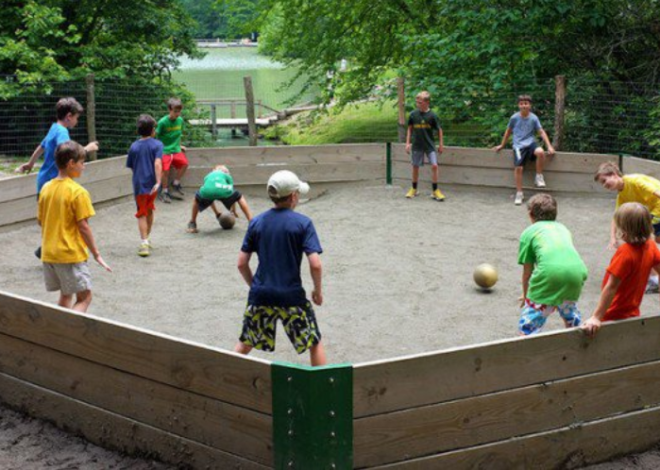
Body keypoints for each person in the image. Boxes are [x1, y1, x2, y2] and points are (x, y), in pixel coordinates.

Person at [234, 170, 326, 366]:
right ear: (293, 196)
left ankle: (223, 378)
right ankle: (322, 389)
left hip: (261, 295)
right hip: (291, 296)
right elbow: (315, 264)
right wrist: (317, 291)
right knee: (314, 342)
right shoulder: (303, 223)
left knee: (245, 342)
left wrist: (254, 286)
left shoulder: (256, 222)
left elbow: (241, 263)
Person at [15, 97, 99, 258]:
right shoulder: (62, 132)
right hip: (55, 182)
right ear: (69, 116)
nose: (76, 121)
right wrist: (87, 148)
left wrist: (30, 163)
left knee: (48, 217)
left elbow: (42, 146)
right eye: (76, 117)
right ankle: (52, 248)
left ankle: (46, 247)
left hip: (43, 181)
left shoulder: (54, 127)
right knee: (60, 217)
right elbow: (67, 153)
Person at [37, 141, 111, 313]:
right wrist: (96, 254)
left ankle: (58, 331)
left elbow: (41, 221)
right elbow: (83, 227)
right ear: (71, 164)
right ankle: (65, 336)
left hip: (49, 254)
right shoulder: (78, 192)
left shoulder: (46, 188)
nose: (83, 167)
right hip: (69, 254)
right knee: (85, 298)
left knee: (66, 294)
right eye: (82, 163)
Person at [582, 203, 660, 337]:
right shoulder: (651, 246)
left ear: (624, 228)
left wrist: (596, 317)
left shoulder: (625, 253)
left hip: (612, 312)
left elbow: (611, 287)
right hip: (633, 311)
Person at [517, 194, 588, 335]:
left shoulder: (529, 232)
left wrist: (526, 297)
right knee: (568, 309)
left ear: (530, 214)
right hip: (577, 274)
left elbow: (527, 272)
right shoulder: (563, 228)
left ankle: (526, 341)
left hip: (549, 276)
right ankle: (577, 333)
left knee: (529, 325)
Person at [594, 161, 660, 292]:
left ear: (613, 174)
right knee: (653, 241)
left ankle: (653, 280)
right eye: (602, 184)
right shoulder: (622, 194)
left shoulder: (633, 181)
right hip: (652, 213)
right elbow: (617, 216)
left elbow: (656, 192)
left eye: (604, 181)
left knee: (643, 242)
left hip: (656, 211)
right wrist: (612, 237)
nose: (604, 185)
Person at [493, 95, 555, 205]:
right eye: (521, 103)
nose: (524, 105)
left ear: (530, 105)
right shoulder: (514, 118)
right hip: (518, 146)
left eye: (526, 103)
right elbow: (508, 132)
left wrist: (549, 146)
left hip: (531, 143)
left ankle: (539, 176)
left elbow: (541, 132)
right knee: (519, 168)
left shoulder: (534, 118)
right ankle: (519, 193)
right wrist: (502, 145)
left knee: (540, 152)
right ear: (518, 105)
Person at [126, 114, 163, 257]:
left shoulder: (134, 146)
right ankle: (146, 239)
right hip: (153, 184)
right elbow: (158, 163)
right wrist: (158, 181)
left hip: (139, 185)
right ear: (153, 130)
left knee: (142, 212)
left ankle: (144, 241)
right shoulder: (157, 144)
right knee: (149, 210)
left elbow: (132, 167)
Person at [187, 165, 253, 233]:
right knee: (239, 197)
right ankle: (251, 221)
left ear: (213, 170)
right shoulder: (227, 176)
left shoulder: (208, 175)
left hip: (207, 192)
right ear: (226, 172)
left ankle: (193, 223)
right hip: (223, 190)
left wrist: (217, 213)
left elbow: (210, 196)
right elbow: (231, 191)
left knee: (197, 199)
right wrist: (233, 210)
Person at [404, 91, 445, 201]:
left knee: (435, 165)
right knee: (415, 166)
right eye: (416, 102)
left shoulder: (433, 116)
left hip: (429, 145)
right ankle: (414, 189)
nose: (417, 104)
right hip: (417, 145)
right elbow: (409, 129)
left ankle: (435, 190)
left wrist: (441, 145)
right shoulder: (413, 114)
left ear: (427, 102)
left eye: (420, 102)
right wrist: (407, 143)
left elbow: (439, 130)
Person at [156, 97, 188, 203]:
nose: (177, 114)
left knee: (184, 164)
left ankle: (175, 184)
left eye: (179, 111)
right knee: (165, 170)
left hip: (176, 149)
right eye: (175, 111)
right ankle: (164, 191)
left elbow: (178, 135)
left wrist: (180, 145)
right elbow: (156, 136)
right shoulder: (162, 122)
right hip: (165, 150)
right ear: (169, 110)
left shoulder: (180, 120)